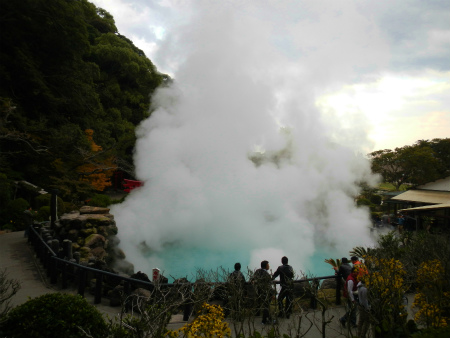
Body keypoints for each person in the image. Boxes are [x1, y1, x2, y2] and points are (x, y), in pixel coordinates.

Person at [251, 260, 274, 325]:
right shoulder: (266, 274)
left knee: (264, 305)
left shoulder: (257, 271)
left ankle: (267, 319)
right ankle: (265, 320)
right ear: (265, 266)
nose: (269, 266)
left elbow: (252, 279)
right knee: (266, 306)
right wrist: (272, 294)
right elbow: (269, 285)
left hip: (259, 291)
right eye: (268, 265)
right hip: (266, 292)